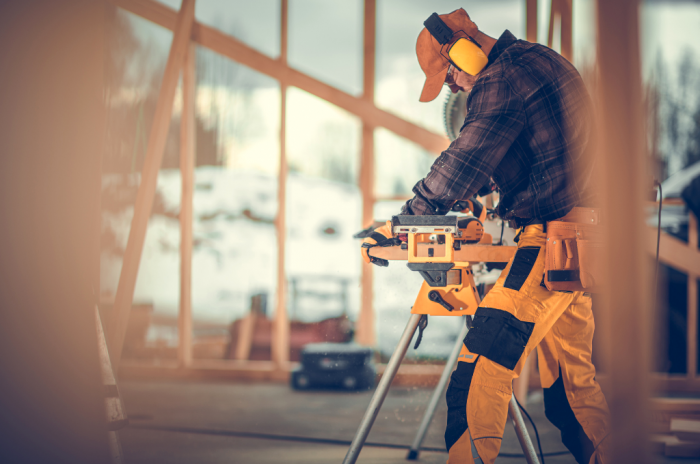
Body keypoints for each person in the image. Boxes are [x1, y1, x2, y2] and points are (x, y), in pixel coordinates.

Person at [360, 8, 610, 464]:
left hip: (555, 242)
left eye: (450, 72)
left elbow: (466, 158)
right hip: (580, 240)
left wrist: (408, 220)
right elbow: (516, 156)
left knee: (477, 377)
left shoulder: (501, 81)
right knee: (572, 393)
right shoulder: (536, 59)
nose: (453, 85)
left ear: (466, 47)